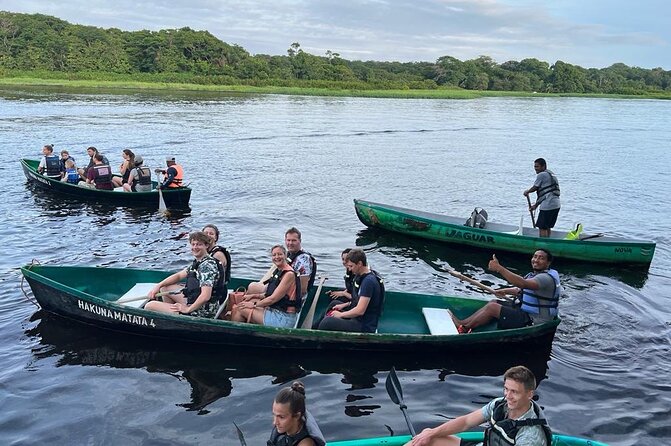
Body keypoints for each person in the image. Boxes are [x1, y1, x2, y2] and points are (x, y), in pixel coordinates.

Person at [405, 366, 552, 446]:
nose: (508, 396)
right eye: (506, 389)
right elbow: (466, 422)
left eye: (514, 392)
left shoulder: (531, 437)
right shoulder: (499, 404)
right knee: (428, 439)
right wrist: (432, 433)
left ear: (529, 394)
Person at [450, 250, 560, 333]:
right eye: (535, 256)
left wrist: (499, 268)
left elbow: (522, 284)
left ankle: (464, 329)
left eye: (541, 258)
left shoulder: (545, 278)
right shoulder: (534, 275)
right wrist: (505, 291)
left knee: (492, 308)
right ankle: (463, 323)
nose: (536, 260)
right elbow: (520, 290)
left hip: (534, 320)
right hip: (525, 312)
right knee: (493, 302)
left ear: (548, 263)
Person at [145, 231, 220, 317]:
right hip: (197, 302)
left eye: (199, 244)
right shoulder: (200, 262)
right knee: (165, 288)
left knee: (149, 306)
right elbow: (179, 276)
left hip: (203, 311)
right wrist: (158, 286)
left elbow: (206, 296)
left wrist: (188, 309)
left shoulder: (207, 267)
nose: (195, 247)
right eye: (193, 244)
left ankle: (177, 314)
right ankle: (172, 315)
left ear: (206, 245)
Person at [232, 245, 301, 328]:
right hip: (276, 310)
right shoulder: (279, 271)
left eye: (280, 254)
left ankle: (234, 334)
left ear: (285, 255)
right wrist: (253, 296)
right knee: (244, 303)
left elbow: (273, 299)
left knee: (240, 308)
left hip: (283, 318)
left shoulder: (288, 274)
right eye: (274, 255)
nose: (277, 257)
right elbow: (270, 294)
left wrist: (254, 304)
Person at [317, 248, 384, 333]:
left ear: (359, 263)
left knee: (327, 322)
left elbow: (360, 311)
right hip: (358, 318)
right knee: (334, 305)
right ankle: (312, 329)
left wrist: (341, 315)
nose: (349, 269)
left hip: (363, 324)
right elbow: (358, 300)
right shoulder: (362, 276)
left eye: (351, 266)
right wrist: (345, 305)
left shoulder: (368, 282)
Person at [268, 381, 326, 446]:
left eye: (281, 417)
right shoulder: (286, 428)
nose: (275, 422)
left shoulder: (305, 443)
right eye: (274, 415)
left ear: (297, 416)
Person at [311, 248, 354, 329]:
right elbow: (351, 289)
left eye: (347, 259)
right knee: (333, 295)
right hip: (352, 301)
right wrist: (341, 292)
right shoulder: (350, 271)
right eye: (343, 259)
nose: (344, 262)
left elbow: (356, 297)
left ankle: (322, 323)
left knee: (334, 302)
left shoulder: (358, 275)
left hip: (354, 305)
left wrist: (343, 294)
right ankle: (317, 324)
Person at [523, 158, 560, 238]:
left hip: (548, 205)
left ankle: (543, 246)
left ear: (544, 166)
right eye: (535, 167)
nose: (535, 169)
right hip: (556, 205)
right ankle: (548, 243)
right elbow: (545, 193)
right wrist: (535, 206)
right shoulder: (551, 174)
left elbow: (536, 187)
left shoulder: (542, 174)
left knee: (542, 227)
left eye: (537, 167)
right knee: (547, 226)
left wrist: (527, 191)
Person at [201, 224, 231, 304]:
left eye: (211, 234)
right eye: (206, 233)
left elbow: (213, 280)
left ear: (216, 237)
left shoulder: (217, 255)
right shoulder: (203, 252)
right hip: (207, 290)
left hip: (215, 294)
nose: (208, 236)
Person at [285, 227, 317, 300]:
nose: (290, 243)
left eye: (294, 240)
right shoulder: (288, 255)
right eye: (288, 240)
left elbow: (302, 290)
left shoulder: (304, 259)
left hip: (293, 298)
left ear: (300, 241)